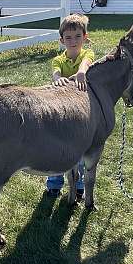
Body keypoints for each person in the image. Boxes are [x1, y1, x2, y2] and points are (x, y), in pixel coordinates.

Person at [46, 14, 95, 198]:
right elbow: (56, 74)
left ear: (85, 37)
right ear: (61, 40)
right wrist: (58, 80)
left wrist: (82, 72)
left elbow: (86, 63)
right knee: (58, 151)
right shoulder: (58, 60)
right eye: (68, 37)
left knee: (79, 153)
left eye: (77, 37)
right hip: (62, 113)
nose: (73, 41)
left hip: (80, 115)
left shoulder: (87, 54)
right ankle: (54, 183)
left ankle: (79, 184)